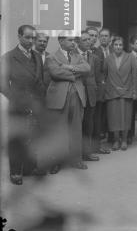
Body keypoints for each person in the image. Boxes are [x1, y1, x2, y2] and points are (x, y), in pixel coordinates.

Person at [0, 25, 46, 185]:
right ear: (19, 36)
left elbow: (39, 81)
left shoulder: (37, 56)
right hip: (18, 106)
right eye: (28, 37)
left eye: (33, 38)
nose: (31, 41)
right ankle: (15, 172)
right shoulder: (8, 57)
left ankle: (30, 168)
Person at [45, 34, 91, 173]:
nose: (73, 43)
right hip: (59, 98)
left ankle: (76, 160)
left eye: (74, 40)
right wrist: (75, 73)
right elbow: (55, 73)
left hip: (77, 96)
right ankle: (56, 161)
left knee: (76, 129)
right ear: (61, 41)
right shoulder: (51, 57)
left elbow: (87, 68)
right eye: (70, 40)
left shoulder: (78, 55)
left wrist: (68, 66)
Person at [104, 36, 137, 151]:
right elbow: (105, 75)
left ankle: (124, 140)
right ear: (112, 46)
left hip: (126, 91)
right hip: (112, 92)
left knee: (125, 117)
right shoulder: (108, 58)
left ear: (124, 46)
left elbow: (134, 76)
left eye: (120, 45)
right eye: (116, 45)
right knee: (114, 117)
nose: (118, 47)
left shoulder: (131, 57)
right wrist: (109, 88)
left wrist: (134, 91)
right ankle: (115, 140)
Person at [75, 31, 102, 162]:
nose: (88, 41)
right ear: (78, 42)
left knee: (88, 124)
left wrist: (97, 95)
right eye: (84, 40)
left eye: (89, 39)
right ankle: (76, 154)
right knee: (76, 124)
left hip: (91, 95)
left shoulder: (94, 58)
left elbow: (97, 79)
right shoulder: (72, 55)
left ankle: (87, 152)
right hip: (77, 94)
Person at [92, 28, 112, 146]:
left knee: (110, 112)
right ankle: (98, 139)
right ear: (99, 38)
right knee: (99, 114)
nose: (104, 38)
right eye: (102, 36)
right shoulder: (95, 51)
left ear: (110, 38)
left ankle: (111, 137)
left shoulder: (114, 50)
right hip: (100, 86)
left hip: (112, 86)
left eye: (106, 36)